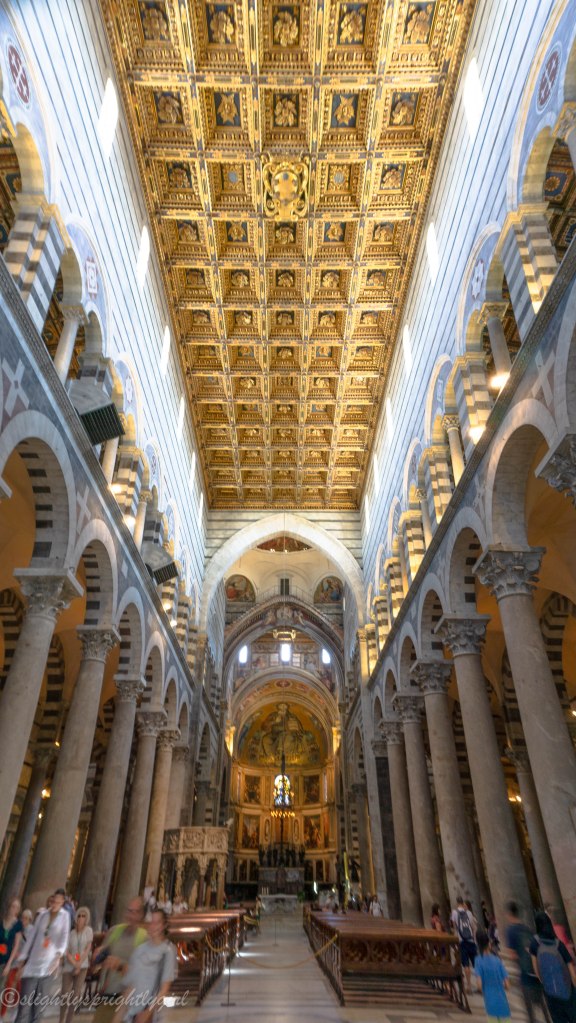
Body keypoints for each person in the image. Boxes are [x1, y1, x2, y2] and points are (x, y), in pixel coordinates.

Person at [14, 888, 70, 1023]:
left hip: (49, 966)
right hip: (33, 963)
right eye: (54, 899)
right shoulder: (42, 915)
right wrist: (22, 959)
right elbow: (32, 937)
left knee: (38, 1007)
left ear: (62, 901)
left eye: (58, 900)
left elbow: (64, 938)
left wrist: (58, 956)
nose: (55, 902)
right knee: (24, 1005)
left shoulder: (65, 916)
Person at [92, 898, 147, 1023]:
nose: (132, 915)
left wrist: (120, 965)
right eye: (129, 911)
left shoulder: (144, 938)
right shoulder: (114, 931)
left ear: (141, 915)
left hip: (128, 999)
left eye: (136, 912)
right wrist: (98, 955)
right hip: (108, 994)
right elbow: (101, 958)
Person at [119, 910, 176, 1023]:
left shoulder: (168, 951)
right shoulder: (140, 950)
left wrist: (147, 1012)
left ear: (164, 925)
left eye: (157, 923)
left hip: (149, 1014)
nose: (153, 926)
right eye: (151, 922)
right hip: (131, 1013)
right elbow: (130, 987)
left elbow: (164, 988)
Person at [505, 901, 547, 1023]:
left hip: (524, 972)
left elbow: (512, 954)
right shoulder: (527, 929)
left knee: (529, 1009)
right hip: (537, 971)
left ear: (509, 914)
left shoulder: (510, 930)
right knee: (542, 1006)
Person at [530, 911, 576, 1023]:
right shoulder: (559, 944)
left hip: (550, 993)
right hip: (568, 992)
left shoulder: (534, 944)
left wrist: (547, 983)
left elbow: (537, 972)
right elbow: (572, 975)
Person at [59, 907, 93, 1023]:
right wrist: (74, 963)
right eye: (79, 915)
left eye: (84, 916)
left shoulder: (89, 931)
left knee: (75, 995)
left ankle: (69, 1021)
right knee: (64, 994)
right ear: (76, 917)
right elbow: (66, 951)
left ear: (86, 918)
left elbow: (87, 948)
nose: (81, 918)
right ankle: (61, 1020)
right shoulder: (71, 933)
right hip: (69, 965)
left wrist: (78, 965)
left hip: (82, 966)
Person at [474, 928, 511, 1022]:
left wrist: (485, 990)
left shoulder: (478, 961)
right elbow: (507, 985)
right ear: (489, 944)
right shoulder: (498, 960)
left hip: (490, 1003)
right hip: (503, 1003)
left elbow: (479, 985)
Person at [0, 898, 23, 1019]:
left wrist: (9, 964)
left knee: (2, 988)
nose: (13, 909)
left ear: (18, 910)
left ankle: (1, 1016)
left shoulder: (18, 924)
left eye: (16, 907)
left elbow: (16, 946)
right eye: (12, 906)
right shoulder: (1, 921)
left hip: (6, 962)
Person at [451, 895, 478, 994]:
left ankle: (469, 985)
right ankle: (480, 985)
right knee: (476, 964)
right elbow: (473, 927)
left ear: (457, 903)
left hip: (461, 940)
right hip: (471, 940)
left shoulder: (454, 913)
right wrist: (474, 939)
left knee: (465, 964)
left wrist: (455, 939)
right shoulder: (469, 913)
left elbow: (454, 927)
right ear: (463, 903)